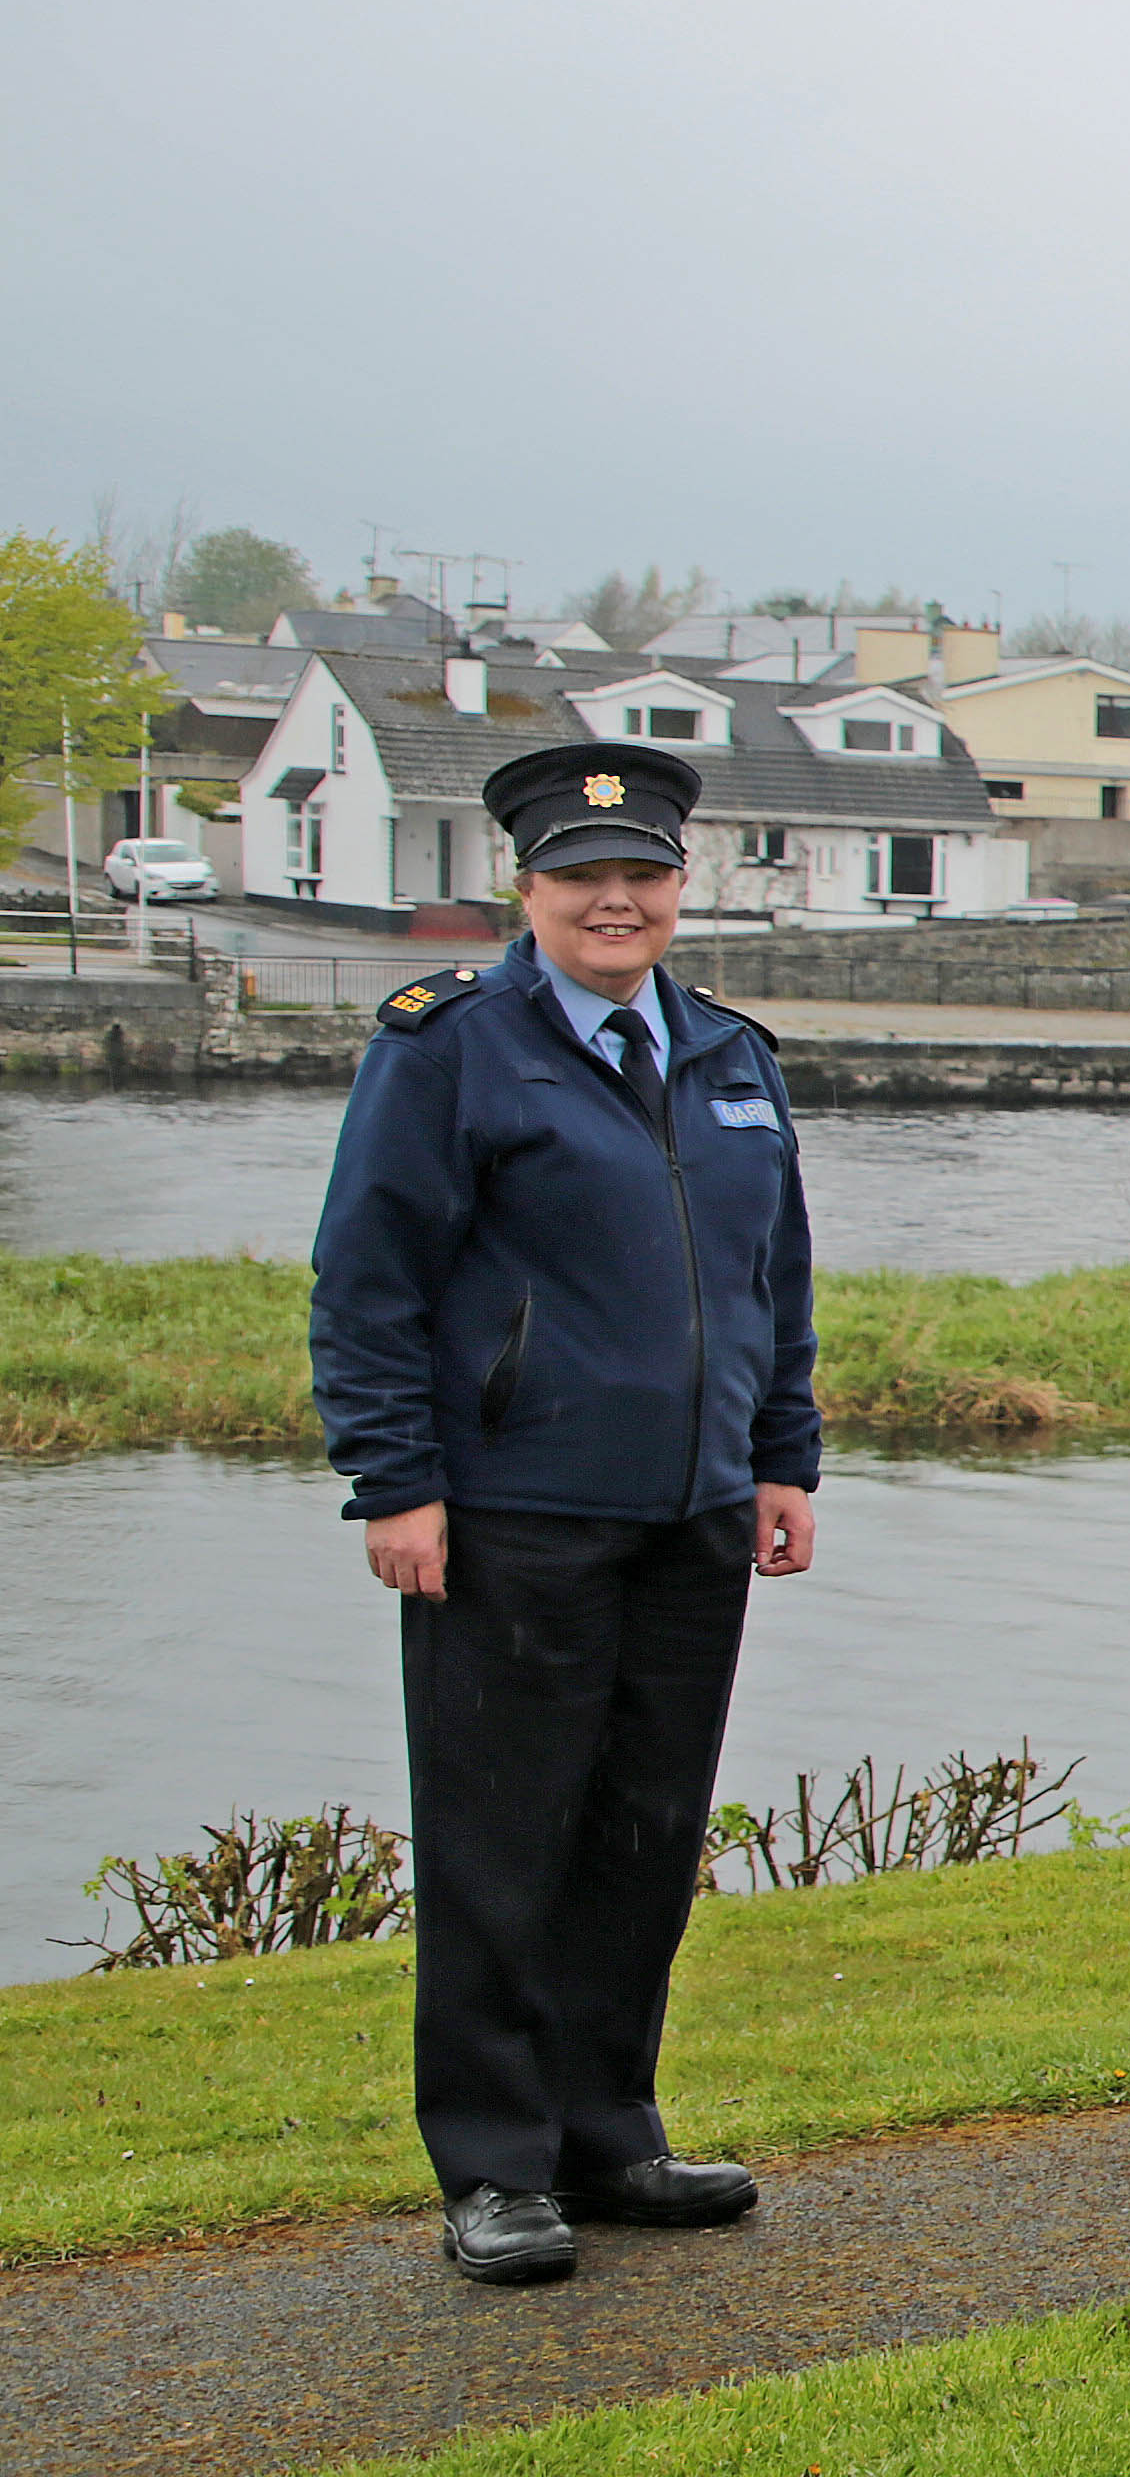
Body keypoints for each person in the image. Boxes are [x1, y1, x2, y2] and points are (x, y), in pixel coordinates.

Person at [306, 741, 819, 2286]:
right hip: (514, 1509)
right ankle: (495, 2163)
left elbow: (771, 1278)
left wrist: (781, 1453)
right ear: (525, 891)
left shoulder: (731, 1051)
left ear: (681, 889)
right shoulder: (450, 1046)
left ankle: (609, 2131)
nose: (617, 901)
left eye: (644, 876)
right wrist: (393, 1481)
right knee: (501, 1841)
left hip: (695, 1514)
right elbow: (369, 1278)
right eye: (584, 878)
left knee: (644, 1835)